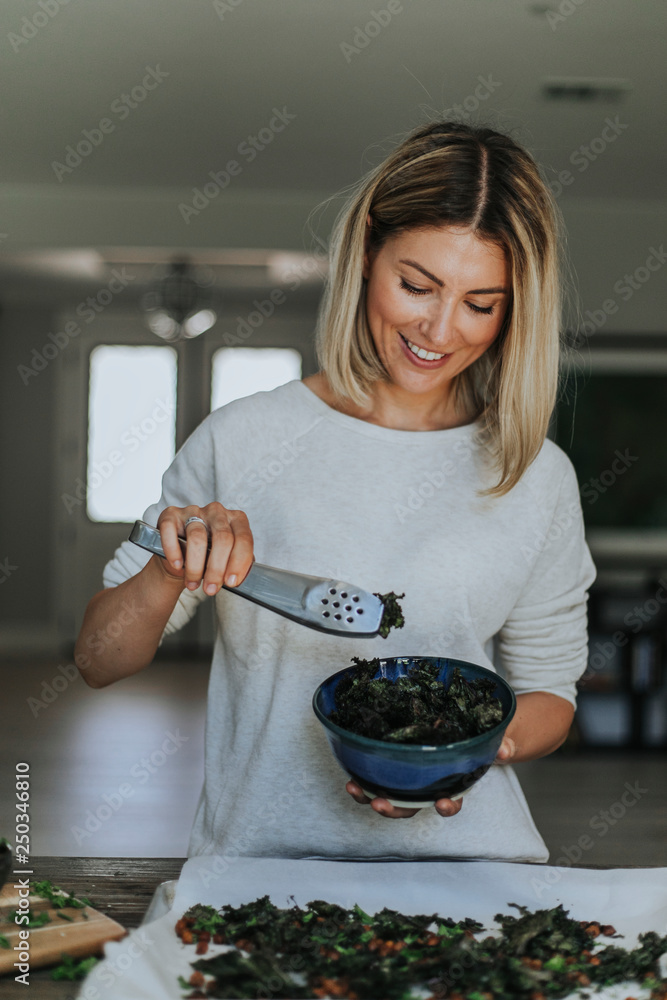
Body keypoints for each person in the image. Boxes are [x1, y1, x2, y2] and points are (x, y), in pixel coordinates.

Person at [74, 119, 596, 863]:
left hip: (475, 870)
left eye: (481, 303)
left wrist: (464, 753)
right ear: (363, 257)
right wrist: (169, 566)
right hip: (257, 866)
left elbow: (550, 694)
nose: (439, 330)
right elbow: (99, 659)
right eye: (416, 285)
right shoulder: (243, 438)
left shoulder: (534, 473)